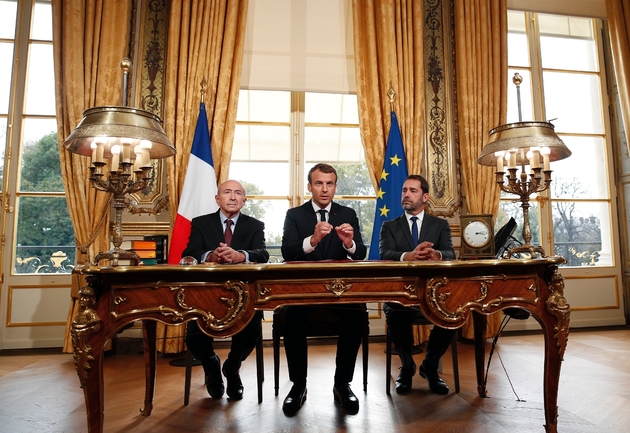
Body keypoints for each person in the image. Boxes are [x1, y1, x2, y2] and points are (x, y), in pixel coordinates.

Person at [280, 163, 367, 415]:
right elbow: (287, 251)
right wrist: (313, 240)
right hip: (304, 289)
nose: (325, 189)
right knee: (292, 319)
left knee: (357, 318)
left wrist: (350, 243)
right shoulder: (295, 215)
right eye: (319, 183)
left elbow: (361, 253)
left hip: (339, 291)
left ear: (335, 186)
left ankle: (342, 385)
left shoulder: (348, 213)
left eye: (329, 183)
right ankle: (298, 386)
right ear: (310, 186)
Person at [182, 179, 269, 400]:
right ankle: (212, 365)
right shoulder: (201, 223)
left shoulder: (255, 225)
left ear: (244, 200)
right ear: (217, 199)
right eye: (227, 192)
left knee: (251, 330)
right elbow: (191, 251)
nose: (232, 197)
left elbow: (262, 254)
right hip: (206, 293)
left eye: (238, 193)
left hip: (244, 294)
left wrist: (241, 255)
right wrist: (210, 256)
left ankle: (232, 367)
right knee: (193, 337)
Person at [379, 174, 457, 395]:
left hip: (434, 293)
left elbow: (451, 253)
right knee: (395, 314)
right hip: (401, 292)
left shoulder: (440, 225)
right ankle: (407, 366)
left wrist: (437, 254)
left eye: (412, 191)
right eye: (404, 190)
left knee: (454, 314)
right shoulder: (389, 226)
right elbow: (385, 254)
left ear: (425, 197)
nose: (406, 194)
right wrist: (408, 256)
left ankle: (430, 367)